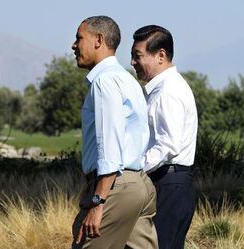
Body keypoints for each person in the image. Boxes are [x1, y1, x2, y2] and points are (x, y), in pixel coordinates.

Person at [71, 16, 158, 249]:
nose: (74, 45)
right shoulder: (126, 80)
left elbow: (109, 144)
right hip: (139, 185)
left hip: (114, 186)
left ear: (98, 40)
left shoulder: (104, 82)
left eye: (79, 38)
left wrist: (98, 201)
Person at [130, 25, 198, 249]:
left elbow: (168, 143)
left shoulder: (169, 91)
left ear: (160, 55)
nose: (132, 62)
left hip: (169, 183)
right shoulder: (161, 89)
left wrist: (134, 169)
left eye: (137, 56)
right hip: (166, 182)